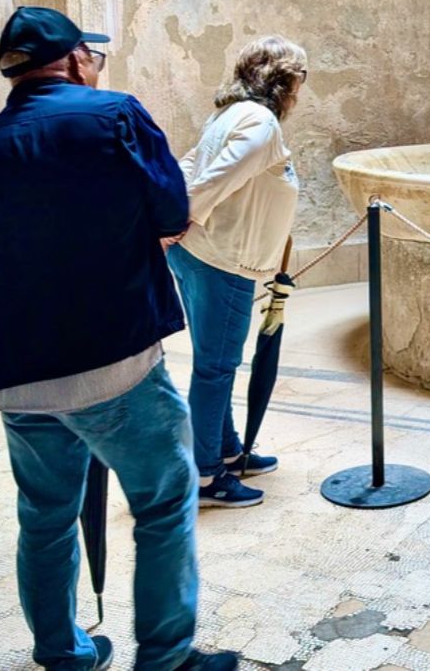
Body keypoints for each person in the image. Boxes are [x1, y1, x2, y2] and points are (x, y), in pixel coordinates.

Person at [0, 6, 239, 669]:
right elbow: (171, 210)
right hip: (114, 363)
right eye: (92, 57)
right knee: (162, 499)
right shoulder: (115, 116)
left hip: (17, 376)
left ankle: (62, 650)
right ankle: (166, 656)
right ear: (75, 60)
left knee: (44, 516)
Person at [167, 36, 305, 509]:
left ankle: (224, 449)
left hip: (203, 252)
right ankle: (207, 478)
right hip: (219, 257)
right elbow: (215, 177)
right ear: (287, 81)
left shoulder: (228, 113)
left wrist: (175, 218)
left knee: (214, 361)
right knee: (216, 366)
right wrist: (177, 217)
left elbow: (188, 164)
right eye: (300, 80)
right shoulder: (260, 122)